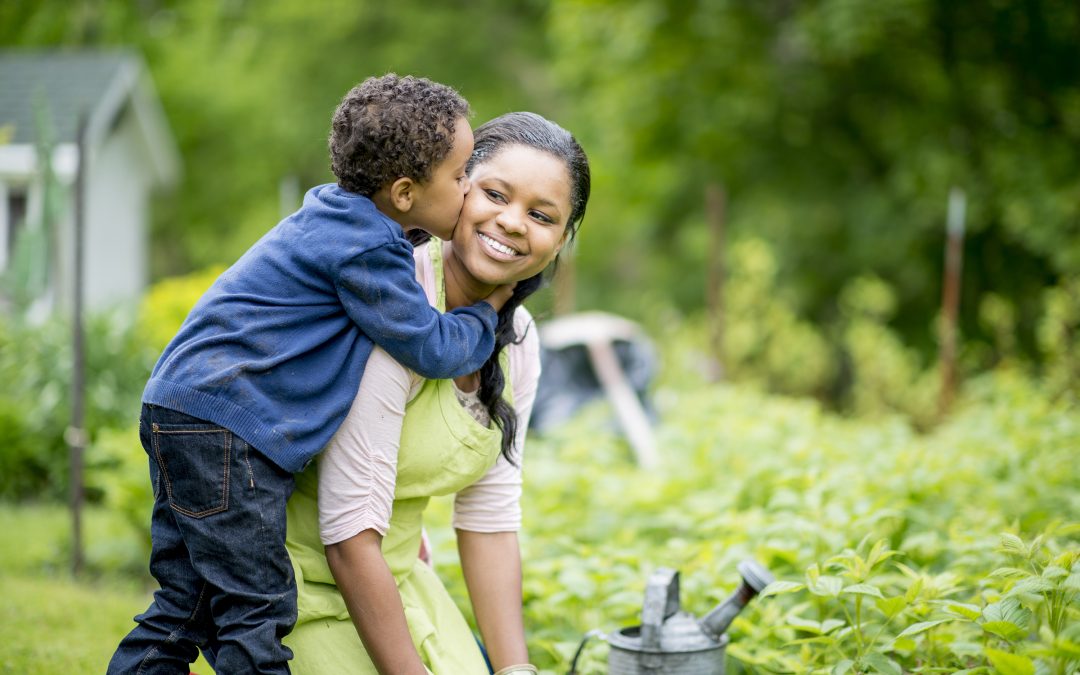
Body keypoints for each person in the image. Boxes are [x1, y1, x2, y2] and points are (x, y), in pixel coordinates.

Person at [109, 75, 516, 674]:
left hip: (187, 411)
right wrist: (486, 315)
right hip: (228, 429)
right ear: (404, 191)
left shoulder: (336, 217)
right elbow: (429, 345)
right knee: (258, 608)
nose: (467, 192)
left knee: (186, 602)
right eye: (460, 177)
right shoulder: (366, 249)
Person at [283, 111, 590, 674]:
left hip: (397, 582)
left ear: (562, 239)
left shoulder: (517, 342)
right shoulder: (395, 306)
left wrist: (515, 670)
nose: (513, 222)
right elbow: (348, 534)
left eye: (542, 215)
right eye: (495, 194)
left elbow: (490, 517)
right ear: (457, 186)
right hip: (300, 584)